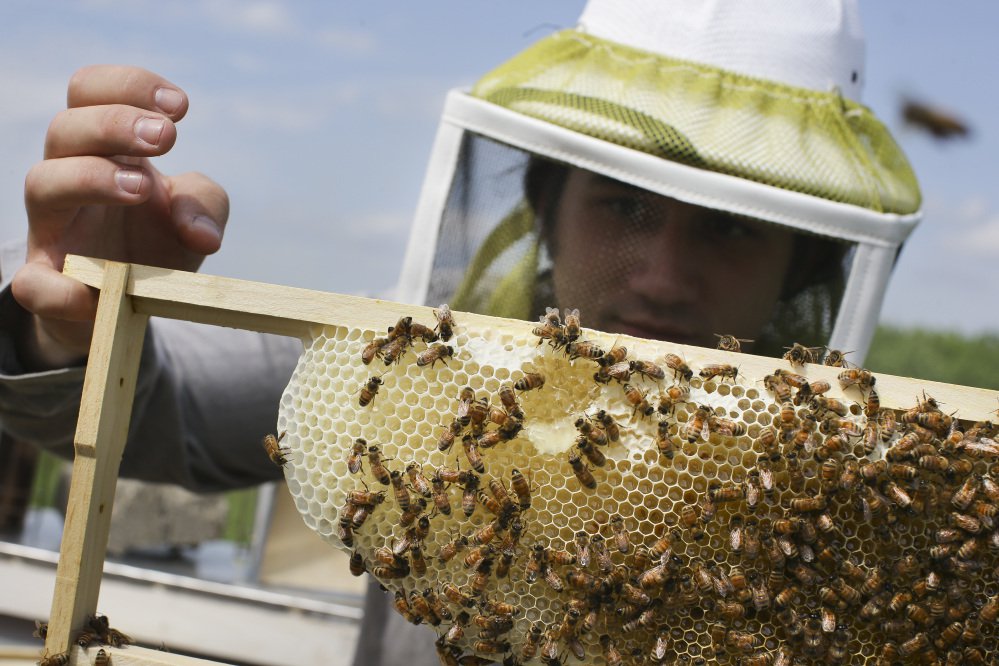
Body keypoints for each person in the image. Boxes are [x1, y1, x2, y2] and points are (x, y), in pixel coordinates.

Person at [0, 0, 922, 664]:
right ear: (545, 207)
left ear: (804, 265)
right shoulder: (411, 365)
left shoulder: (856, 485)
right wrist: (75, 327)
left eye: (727, 227)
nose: (662, 275)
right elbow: (163, 413)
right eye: (624, 206)